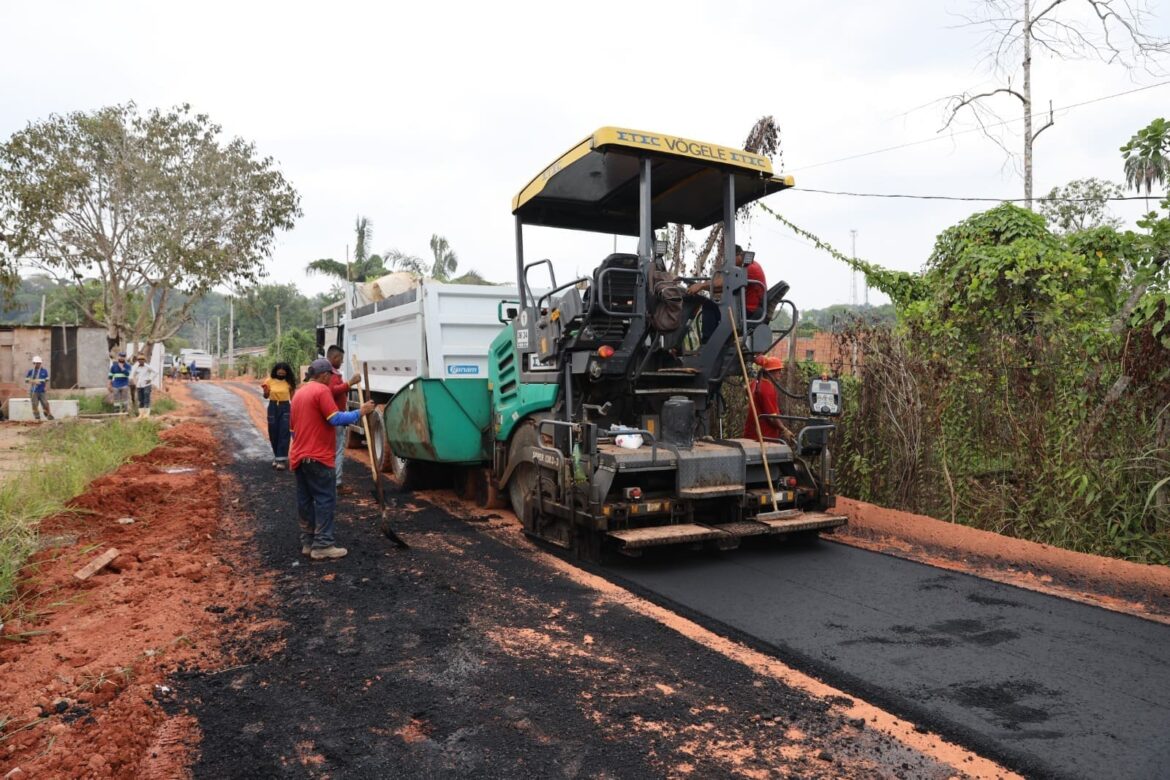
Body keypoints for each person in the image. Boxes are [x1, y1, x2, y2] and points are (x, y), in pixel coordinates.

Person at [290, 358, 375, 560]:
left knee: (305, 500)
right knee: (325, 499)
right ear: (325, 375)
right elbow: (335, 418)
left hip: (300, 457)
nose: (332, 380)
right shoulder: (321, 391)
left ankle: (308, 542)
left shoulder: (299, 393)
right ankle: (323, 545)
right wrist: (360, 412)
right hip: (318, 457)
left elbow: (293, 430)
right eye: (332, 377)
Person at [686, 245, 767, 343]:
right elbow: (722, 288)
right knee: (713, 304)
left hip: (748, 311)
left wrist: (701, 286)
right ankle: (714, 340)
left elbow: (724, 282)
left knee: (709, 305)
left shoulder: (749, 268)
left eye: (729, 260)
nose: (729, 264)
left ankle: (707, 343)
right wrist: (699, 287)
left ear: (737, 256)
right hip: (743, 308)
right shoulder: (747, 266)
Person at [326, 345, 362, 494]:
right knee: (338, 450)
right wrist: (349, 383)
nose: (341, 362)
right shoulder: (330, 375)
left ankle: (331, 481)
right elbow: (332, 391)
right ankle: (337, 483)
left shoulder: (330, 373)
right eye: (340, 359)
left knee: (333, 449)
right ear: (334, 358)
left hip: (333, 416)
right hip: (335, 417)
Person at [743, 356, 791, 441]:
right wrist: (784, 429)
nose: (780, 373)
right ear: (769, 372)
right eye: (778, 370)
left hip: (751, 434)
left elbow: (747, 389)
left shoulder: (755, 383)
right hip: (764, 437)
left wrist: (753, 402)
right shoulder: (767, 388)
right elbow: (772, 417)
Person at [262, 362, 297, 470]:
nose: (281, 371)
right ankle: (277, 456)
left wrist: (296, 411)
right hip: (272, 407)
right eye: (279, 369)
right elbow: (266, 396)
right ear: (275, 370)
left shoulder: (289, 382)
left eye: (284, 370)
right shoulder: (269, 381)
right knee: (273, 432)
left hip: (285, 407)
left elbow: (293, 399)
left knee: (284, 432)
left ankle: (281, 460)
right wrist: (266, 391)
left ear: (287, 372)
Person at [128, 353, 157, 418]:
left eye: (142, 359)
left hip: (147, 385)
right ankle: (141, 414)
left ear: (144, 360)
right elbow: (131, 375)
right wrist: (134, 381)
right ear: (137, 360)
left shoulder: (147, 367)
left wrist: (150, 379)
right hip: (139, 385)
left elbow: (155, 372)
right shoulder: (136, 367)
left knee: (146, 398)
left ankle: (146, 414)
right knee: (140, 399)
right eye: (139, 359)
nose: (141, 360)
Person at [25, 357, 53, 421]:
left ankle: (48, 415)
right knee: (34, 405)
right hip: (34, 391)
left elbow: (47, 380)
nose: (38, 364)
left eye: (39, 363)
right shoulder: (31, 371)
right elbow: (26, 380)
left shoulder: (44, 371)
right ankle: (37, 418)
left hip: (42, 391)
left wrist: (45, 386)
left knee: (45, 403)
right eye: (36, 363)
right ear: (34, 363)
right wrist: (33, 381)